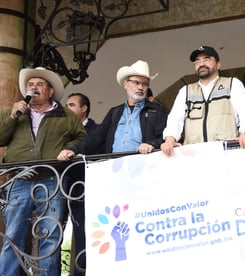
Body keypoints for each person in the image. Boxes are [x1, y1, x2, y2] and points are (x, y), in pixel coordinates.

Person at [0, 67, 86, 275]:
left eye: (39, 84)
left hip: (52, 179)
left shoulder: (65, 115)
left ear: (50, 91)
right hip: (19, 180)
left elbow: (83, 138)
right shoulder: (13, 112)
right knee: (13, 233)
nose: (33, 88)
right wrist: (12, 116)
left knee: (51, 233)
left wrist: (68, 150)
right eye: (30, 85)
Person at [57, 59, 168, 159]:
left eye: (145, 84)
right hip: (115, 169)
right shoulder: (115, 112)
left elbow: (166, 137)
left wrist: (151, 144)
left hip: (143, 167)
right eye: (136, 82)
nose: (140, 87)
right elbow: (96, 137)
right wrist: (73, 150)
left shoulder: (157, 111)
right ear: (125, 84)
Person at [161, 46, 245, 156]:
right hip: (194, 156)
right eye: (197, 61)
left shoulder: (232, 84)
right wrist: (170, 139)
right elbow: (175, 118)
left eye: (206, 59)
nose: (201, 64)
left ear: (218, 65)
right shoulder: (186, 91)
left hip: (226, 154)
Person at [64, 92, 100, 275]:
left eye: (71, 105)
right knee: (71, 234)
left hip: (89, 190)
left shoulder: (98, 130)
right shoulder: (62, 131)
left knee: (90, 234)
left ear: (84, 108)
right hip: (65, 189)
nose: (66, 108)